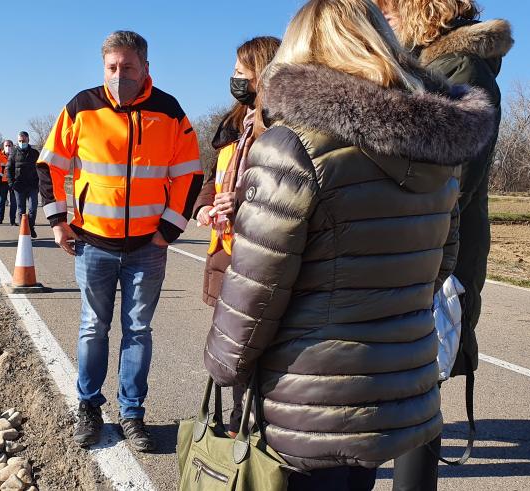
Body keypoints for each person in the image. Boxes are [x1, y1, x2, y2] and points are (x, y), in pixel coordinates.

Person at [202, 0, 494, 489]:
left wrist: (225, 365)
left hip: (308, 391)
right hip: (395, 384)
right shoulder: (438, 149)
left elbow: (257, 284)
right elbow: (442, 261)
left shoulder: (292, 144)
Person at [38, 30, 203, 452]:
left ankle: (133, 414)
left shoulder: (169, 112)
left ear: (145, 67)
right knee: (93, 327)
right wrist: (59, 221)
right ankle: (89, 407)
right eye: (111, 68)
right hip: (94, 242)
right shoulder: (82, 106)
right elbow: (50, 165)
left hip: (148, 247)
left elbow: (190, 174)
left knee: (138, 329)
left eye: (127, 67)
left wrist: (168, 229)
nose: (119, 75)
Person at [374, 1, 513, 488]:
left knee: (419, 381)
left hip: (437, 250)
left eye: (390, 7)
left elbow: (453, 174)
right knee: (404, 378)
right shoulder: (426, 63)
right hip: (422, 243)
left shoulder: (460, 67)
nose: (382, 15)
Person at [192, 35, 280, 434]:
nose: (234, 78)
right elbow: (213, 178)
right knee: (231, 350)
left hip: (260, 256)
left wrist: (241, 200)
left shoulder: (282, 125)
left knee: (261, 350)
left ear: (263, 73)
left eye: (241, 72)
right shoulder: (231, 124)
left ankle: (257, 428)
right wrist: (205, 206)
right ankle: (235, 423)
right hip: (225, 254)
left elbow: (281, 188)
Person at [8, 131, 40, 238]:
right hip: (19, 186)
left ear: (28, 140)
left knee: (33, 208)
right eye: (20, 141)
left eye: (23, 140)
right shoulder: (13, 153)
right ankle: (23, 232)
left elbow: (40, 169)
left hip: (32, 186)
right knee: (21, 209)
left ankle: (30, 227)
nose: (22, 142)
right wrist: (11, 183)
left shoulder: (35, 153)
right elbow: (9, 169)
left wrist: (39, 182)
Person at [0, 139, 17, 225]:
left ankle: (12, 221)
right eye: (6, 145)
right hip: (2, 182)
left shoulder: (16, 155)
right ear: (3, 146)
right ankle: (0, 218)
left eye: (9, 145)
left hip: (13, 182)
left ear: (12, 147)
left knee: (13, 202)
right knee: (1, 201)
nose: (8, 147)